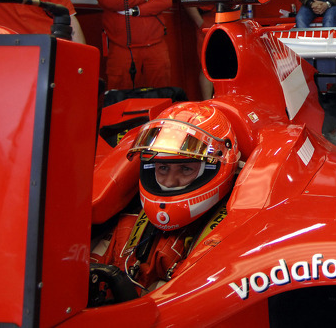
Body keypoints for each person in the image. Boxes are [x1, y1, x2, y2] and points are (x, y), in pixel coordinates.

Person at [90, 103, 240, 295]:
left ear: (216, 167)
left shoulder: (232, 231)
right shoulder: (126, 223)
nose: (169, 182)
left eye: (186, 169)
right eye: (163, 168)